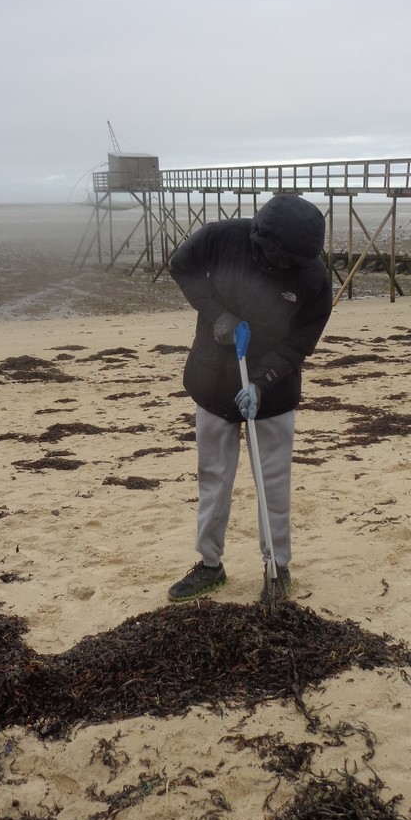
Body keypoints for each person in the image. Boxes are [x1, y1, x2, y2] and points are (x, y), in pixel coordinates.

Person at [167, 193, 332, 602]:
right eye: (279, 259)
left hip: (274, 392)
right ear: (260, 240)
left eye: (293, 262)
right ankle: (210, 565)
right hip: (212, 378)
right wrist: (217, 313)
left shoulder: (313, 277)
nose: (284, 267)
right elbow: (181, 266)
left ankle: (277, 568)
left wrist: (261, 382)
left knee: (273, 482)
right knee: (213, 477)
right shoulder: (222, 238)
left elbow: (299, 344)